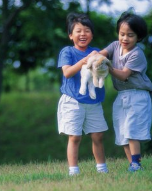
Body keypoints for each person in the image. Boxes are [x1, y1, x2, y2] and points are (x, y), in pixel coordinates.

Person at [91, 10, 152, 172]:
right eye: (122, 34)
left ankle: (136, 163)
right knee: (123, 132)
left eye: (130, 35)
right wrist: (94, 58)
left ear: (138, 37)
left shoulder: (137, 54)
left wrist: (108, 66)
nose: (125, 38)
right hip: (122, 95)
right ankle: (133, 165)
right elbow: (101, 54)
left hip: (138, 95)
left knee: (132, 130)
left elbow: (124, 75)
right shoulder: (115, 46)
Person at [57, 13, 109, 176]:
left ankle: (102, 169)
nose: (82, 34)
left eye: (87, 30)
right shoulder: (67, 52)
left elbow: (104, 65)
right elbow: (67, 73)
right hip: (73, 100)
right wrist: (85, 60)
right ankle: (74, 171)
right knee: (75, 137)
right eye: (78, 31)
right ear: (70, 35)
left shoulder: (96, 52)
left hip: (94, 101)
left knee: (98, 135)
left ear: (92, 35)